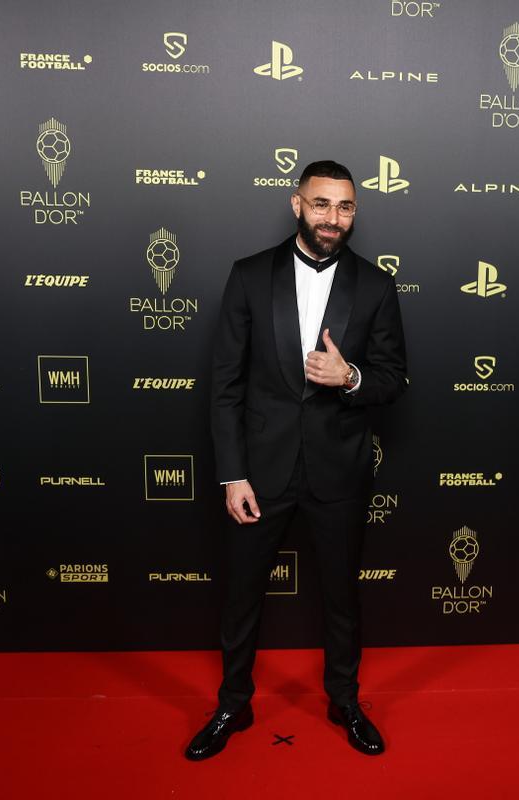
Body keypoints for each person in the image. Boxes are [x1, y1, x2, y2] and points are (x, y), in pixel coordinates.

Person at [185, 160, 408, 761]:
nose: (333, 218)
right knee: (242, 595)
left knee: (342, 598)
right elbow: (225, 384)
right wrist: (233, 474)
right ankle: (233, 702)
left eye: (345, 207)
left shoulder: (376, 285)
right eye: (321, 204)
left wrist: (350, 375)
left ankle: (345, 700)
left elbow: (393, 379)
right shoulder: (250, 276)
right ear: (296, 204)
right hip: (260, 472)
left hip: (340, 470)